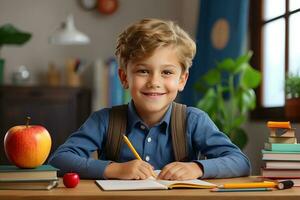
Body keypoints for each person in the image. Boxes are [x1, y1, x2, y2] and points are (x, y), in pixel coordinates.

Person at [48, 18, 250, 180]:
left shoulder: (194, 121)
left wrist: (197, 168)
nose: (154, 82)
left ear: (182, 79)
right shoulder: (104, 121)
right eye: (143, 71)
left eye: (167, 72)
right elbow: (59, 160)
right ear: (124, 77)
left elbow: (240, 162)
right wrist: (114, 170)